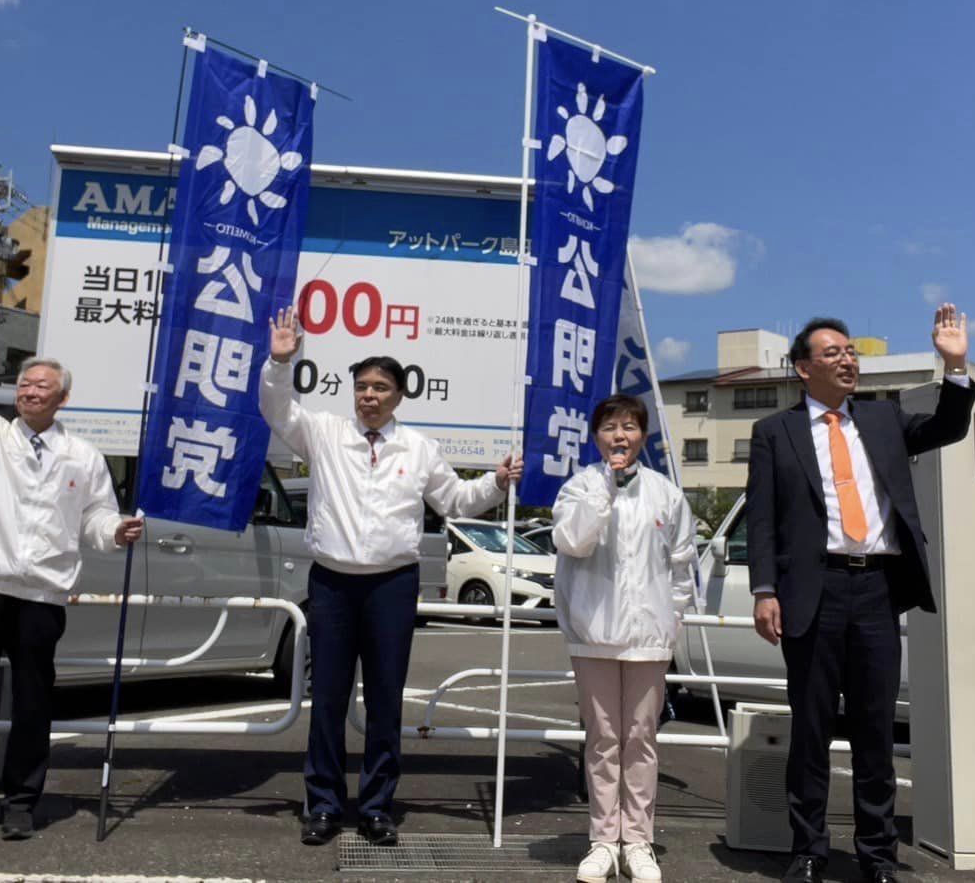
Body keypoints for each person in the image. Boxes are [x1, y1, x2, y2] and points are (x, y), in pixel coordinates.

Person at [263, 307, 521, 847]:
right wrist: (280, 361)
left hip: (391, 588)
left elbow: (456, 499)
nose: (369, 396)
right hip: (332, 584)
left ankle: (378, 806)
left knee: (385, 698)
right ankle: (325, 805)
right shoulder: (324, 432)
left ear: (399, 395)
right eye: (361, 387)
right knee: (328, 698)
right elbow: (277, 408)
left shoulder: (419, 447)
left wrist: (496, 483)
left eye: (380, 387)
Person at [747, 305, 975, 883]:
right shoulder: (773, 432)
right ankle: (809, 849)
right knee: (812, 726)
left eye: (851, 352)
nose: (847, 359)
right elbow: (764, 521)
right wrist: (764, 589)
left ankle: (878, 854)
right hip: (812, 589)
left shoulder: (884, 419)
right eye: (833, 353)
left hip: (876, 585)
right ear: (803, 368)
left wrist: (954, 367)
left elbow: (947, 429)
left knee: (875, 727)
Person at [0, 281, 144, 844]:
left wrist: (116, 530)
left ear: (62, 397)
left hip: (43, 594)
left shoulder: (84, 456)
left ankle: (21, 801)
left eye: (42, 385)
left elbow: (94, 521)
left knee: (33, 702)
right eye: (24, 382)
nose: (29, 390)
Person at [553, 393, 697, 883]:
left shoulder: (665, 493)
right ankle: (601, 841)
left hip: (649, 637)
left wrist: (670, 621)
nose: (620, 436)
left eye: (630, 427)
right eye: (611, 427)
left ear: (643, 435)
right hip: (594, 634)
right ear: (596, 435)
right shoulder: (579, 487)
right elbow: (573, 540)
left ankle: (637, 841)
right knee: (602, 740)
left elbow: (682, 567)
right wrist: (605, 492)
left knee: (641, 739)